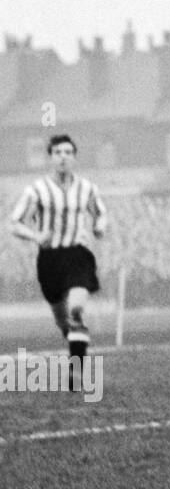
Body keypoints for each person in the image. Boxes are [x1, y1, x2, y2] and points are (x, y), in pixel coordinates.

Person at [9, 134, 107, 373]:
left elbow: (100, 213)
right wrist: (35, 236)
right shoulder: (37, 191)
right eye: (58, 153)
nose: (63, 157)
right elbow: (14, 223)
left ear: (74, 158)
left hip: (78, 255)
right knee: (63, 320)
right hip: (50, 259)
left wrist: (99, 226)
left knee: (76, 309)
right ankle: (75, 337)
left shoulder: (87, 189)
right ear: (50, 158)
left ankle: (76, 369)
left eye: (68, 153)